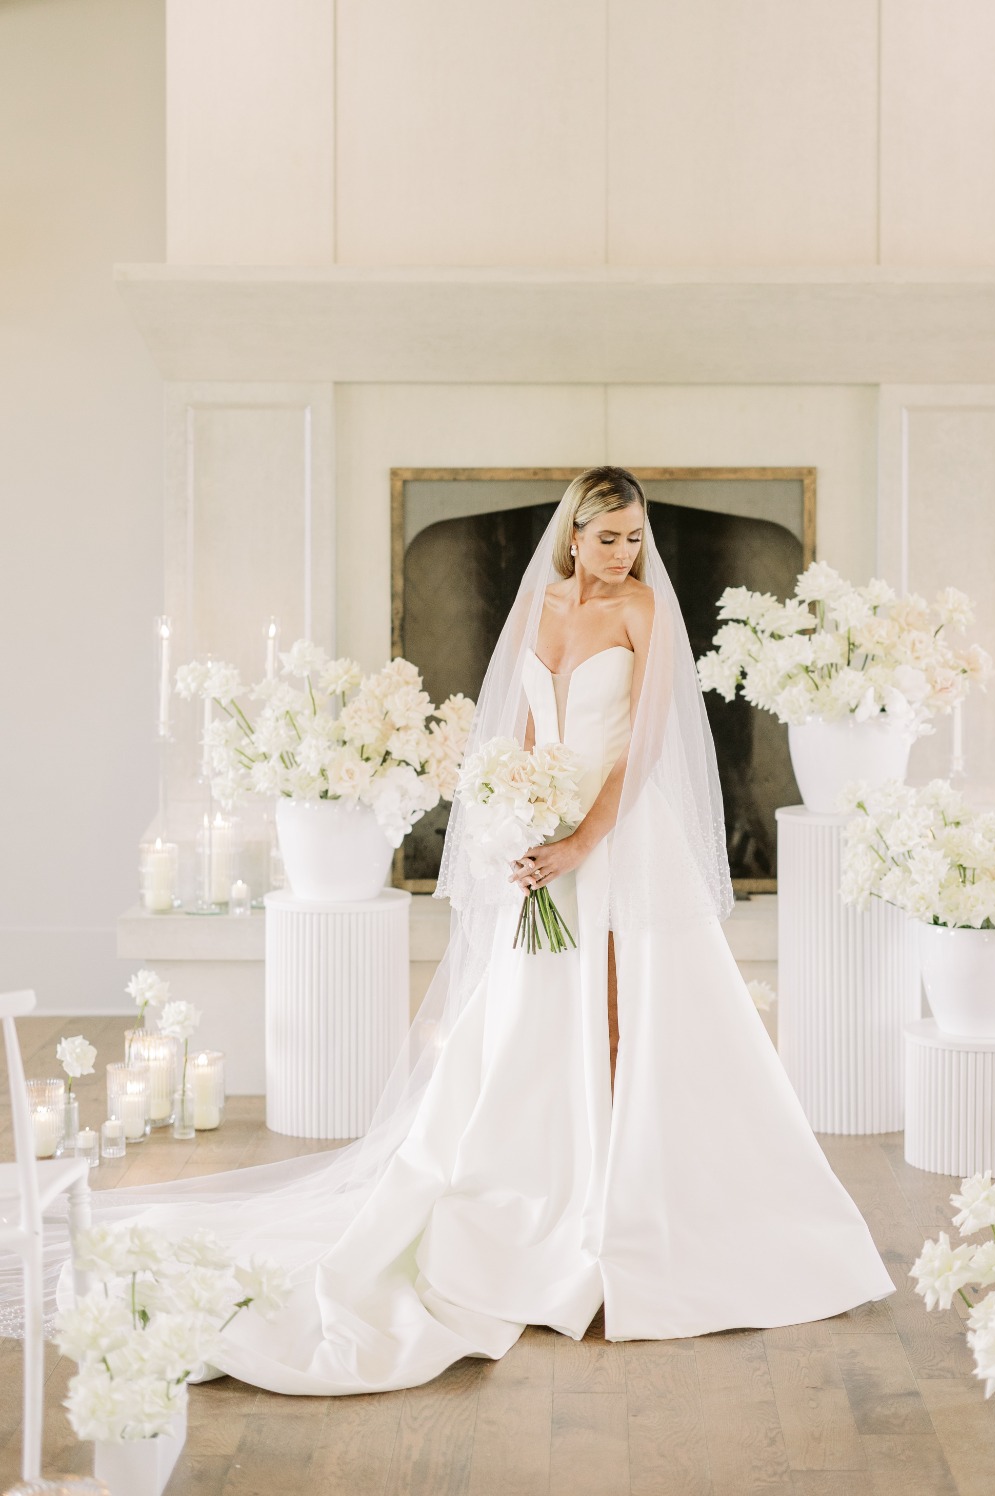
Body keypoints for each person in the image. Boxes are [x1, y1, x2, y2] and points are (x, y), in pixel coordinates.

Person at [43, 467, 894, 1392]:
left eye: (635, 536)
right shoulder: (541, 613)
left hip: (621, 836)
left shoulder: (643, 611)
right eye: (608, 537)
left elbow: (646, 748)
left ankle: (629, 1212)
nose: (625, 553)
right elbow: (525, 736)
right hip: (544, 834)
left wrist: (581, 840)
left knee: (626, 1015)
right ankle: (541, 1192)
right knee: (534, 1012)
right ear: (572, 536)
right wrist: (517, 824)